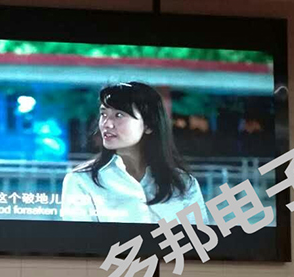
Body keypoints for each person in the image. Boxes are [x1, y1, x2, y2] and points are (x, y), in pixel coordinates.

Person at [61, 82, 209, 224]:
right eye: (104, 114)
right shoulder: (81, 180)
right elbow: (78, 239)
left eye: (119, 115)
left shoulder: (184, 184)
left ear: (148, 125)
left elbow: (198, 238)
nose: (107, 124)